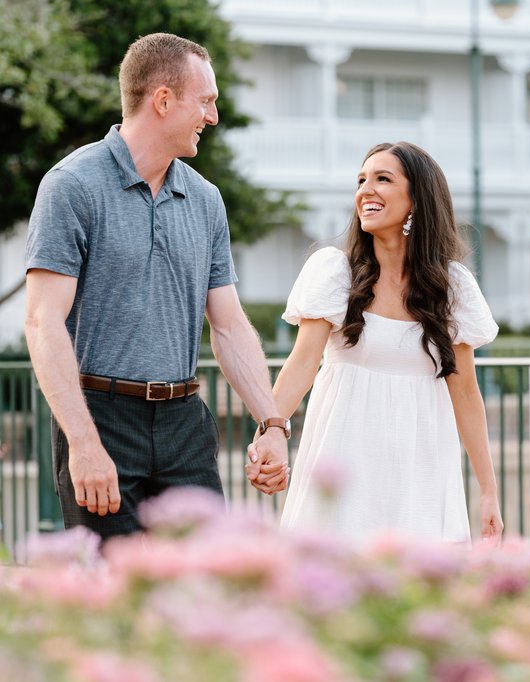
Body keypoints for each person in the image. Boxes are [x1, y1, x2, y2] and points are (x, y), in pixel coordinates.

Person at [23, 33, 290, 540]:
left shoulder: (206, 200)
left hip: (185, 424)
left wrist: (272, 424)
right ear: (163, 100)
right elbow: (42, 321)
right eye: (206, 101)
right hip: (101, 418)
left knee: (204, 588)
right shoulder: (72, 186)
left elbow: (229, 325)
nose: (212, 116)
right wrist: (82, 442)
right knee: (116, 598)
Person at [249, 141, 503, 545]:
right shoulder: (334, 270)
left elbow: (467, 393)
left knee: (414, 591)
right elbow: (302, 363)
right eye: (361, 180)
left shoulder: (453, 286)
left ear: (417, 198)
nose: (366, 189)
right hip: (343, 454)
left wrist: (488, 490)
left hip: (421, 463)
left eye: (382, 179)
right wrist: (270, 432)